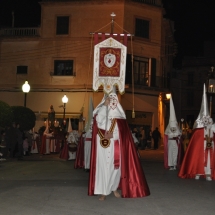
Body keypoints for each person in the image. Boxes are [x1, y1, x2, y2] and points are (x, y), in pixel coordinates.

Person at [88, 87, 150, 200]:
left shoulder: (120, 119)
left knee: (115, 168)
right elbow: (98, 122)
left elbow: (123, 134)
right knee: (102, 168)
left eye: (113, 99)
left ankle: (114, 187)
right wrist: (104, 107)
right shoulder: (101, 111)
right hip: (102, 146)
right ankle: (103, 191)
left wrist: (113, 135)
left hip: (115, 146)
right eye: (109, 99)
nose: (111, 101)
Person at [178, 84, 215, 181]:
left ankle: (208, 174)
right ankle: (197, 172)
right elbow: (195, 141)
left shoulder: (212, 126)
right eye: (205, 120)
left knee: (208, 160)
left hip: (210, 145)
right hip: (201, 146)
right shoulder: (198, 131)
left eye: (208, 120)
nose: (206, 121)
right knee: (198, 157)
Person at [164, 96, 182, 170]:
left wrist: (179, 136)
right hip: (170, 141)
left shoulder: (177, 127)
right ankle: (171, 165)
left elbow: (180, 134)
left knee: (175, 153)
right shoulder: (168, 128)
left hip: (175, 142)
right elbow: (166, 134)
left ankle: (174, 164)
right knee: (170, 153)